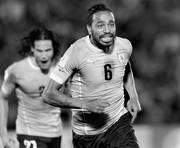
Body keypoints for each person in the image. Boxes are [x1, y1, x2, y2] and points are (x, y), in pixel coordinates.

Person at [43, 3, 141, 148]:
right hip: (86, 135)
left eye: (111, 24)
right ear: (89, 29)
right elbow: (48, 94)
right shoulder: (77, 52)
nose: (107, 30)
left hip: (118, 124)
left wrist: (133, 96)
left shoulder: (124, 46)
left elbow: (125, 67)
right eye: (100, 25)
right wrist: (85, 105)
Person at [0, 28, 63, 148]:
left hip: (56, 133)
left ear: (53, 49)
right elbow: (2, 97)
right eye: (39, 51)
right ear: (32, 49)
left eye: (48, 50)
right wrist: (3, 134)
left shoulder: (62, 68)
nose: (44, 56)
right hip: (29, 133)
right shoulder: (17, 71)